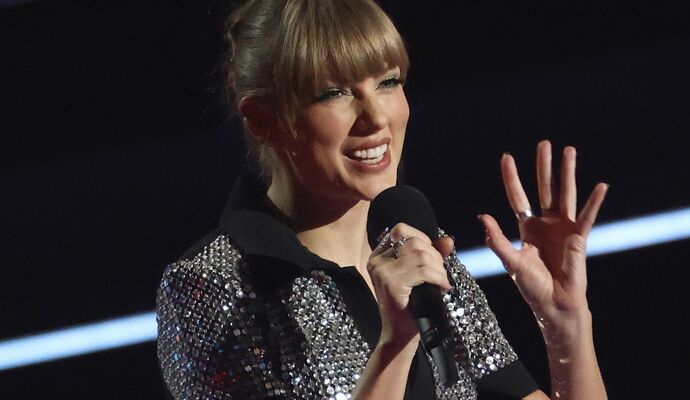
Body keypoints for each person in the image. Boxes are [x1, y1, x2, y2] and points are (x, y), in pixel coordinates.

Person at [156, 0, 609, 399]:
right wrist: (395, 343)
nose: (376, 118)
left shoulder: (424, 254)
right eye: (334, 93)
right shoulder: (213, 285)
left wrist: (566, 323)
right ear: (261, 120)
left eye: (388, 83)